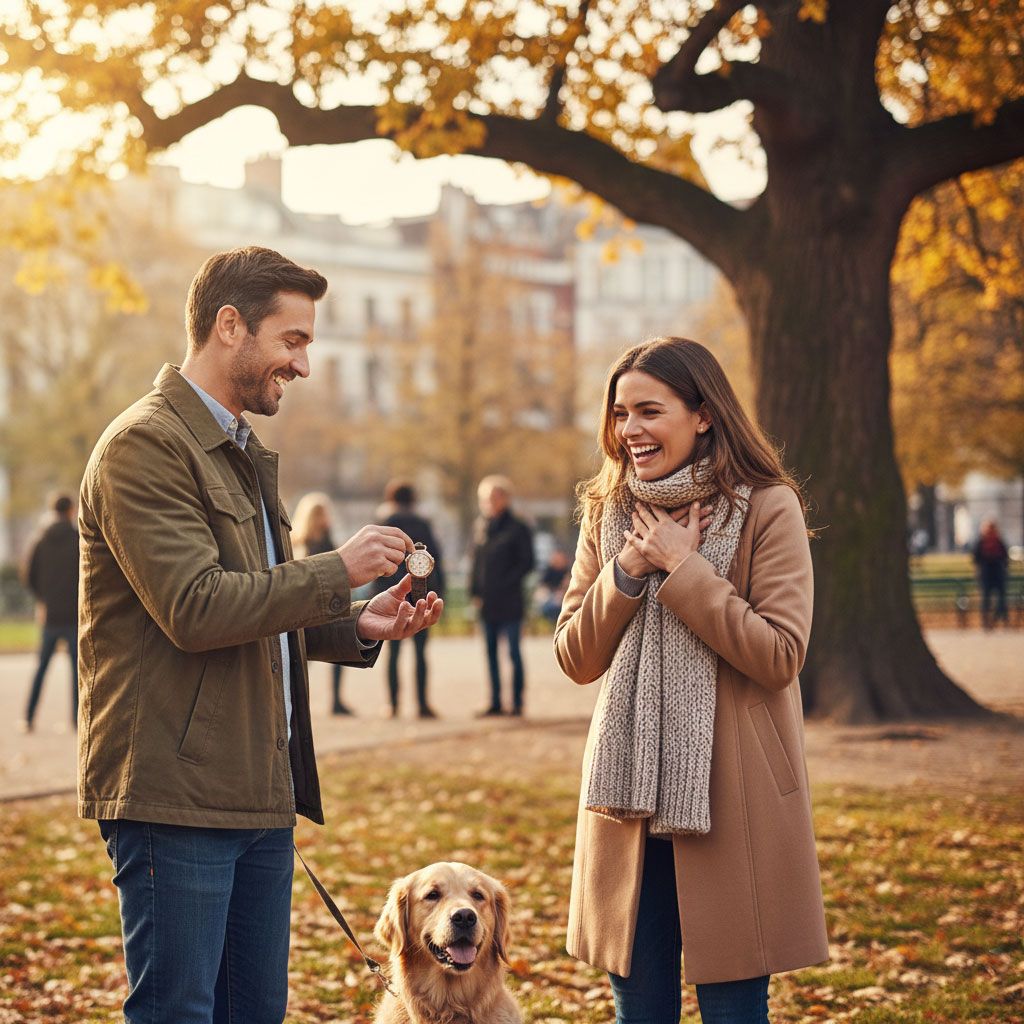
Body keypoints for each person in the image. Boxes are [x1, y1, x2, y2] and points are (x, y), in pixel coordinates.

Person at [77, 245, 443, 1024]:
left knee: (254, 1013)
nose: (303, 363)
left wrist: (353, 624)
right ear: (229, 326)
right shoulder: (145, 446)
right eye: (294, 340)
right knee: (179, 1012)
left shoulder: (236, 447)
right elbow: (196, 607)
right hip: (175, 798)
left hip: (257, 795)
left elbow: (254, 608)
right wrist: (335, 571)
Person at [553, 337, 828, 1024]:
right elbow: (575, 657)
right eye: (620, 414)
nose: (629, 431)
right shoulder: (608, 511)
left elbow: (780, 655)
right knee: (639, 1012)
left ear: (704, 414)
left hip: (732, 799)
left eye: (650, 410)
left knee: (734, 1009)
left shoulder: (768, 507)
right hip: (628, 805)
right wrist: (626, 575)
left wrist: (685, 569)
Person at [374, 478, 446, 718]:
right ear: (413, 499)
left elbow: (376, 563)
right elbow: (437, 560)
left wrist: (377, 596)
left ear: (391, 499)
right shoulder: (424, 524)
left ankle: (393, 705)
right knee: (420, 653)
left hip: (392, 598)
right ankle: (423, 704)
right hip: (422, 597)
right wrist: (439, 593)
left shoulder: (385, 524)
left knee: (393, 654)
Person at [470, 475, 535, 716]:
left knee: (514, 653)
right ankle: (495, 702)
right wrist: (474, 592)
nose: (487, 503)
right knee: (490, 654)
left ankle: (517, 703)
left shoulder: (519, 527)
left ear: (505, 499)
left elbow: (527, 563)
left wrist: (504, 584)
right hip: (486, 603)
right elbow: (476, 563)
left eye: (491, 497)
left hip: (510, 601)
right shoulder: (481, 526)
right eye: (483, 499)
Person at [20, 493, 79, 733]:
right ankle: (77, 721)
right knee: (78, 671)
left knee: (41, 668)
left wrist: (43, 599)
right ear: (71, 511)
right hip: (75, 615)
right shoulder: (78, 538)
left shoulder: (40, 540)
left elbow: (29, 576)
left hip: (50, 615)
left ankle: (29, 717)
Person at [292, 491, 352, 714]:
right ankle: (297, 702)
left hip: (329, 605)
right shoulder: (299, 543)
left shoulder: (329, 540)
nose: (326, 517)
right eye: (321, 513)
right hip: (305, 608)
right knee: (301, 659)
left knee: (339, 653)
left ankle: (336, 699)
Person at [973, 519, 1009, 629]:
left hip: (993, 573)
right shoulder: (985, 542)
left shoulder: (993, 541)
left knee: (997, 598)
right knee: (989, 598)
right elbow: (976, 557)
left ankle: (995, 618)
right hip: (991, 573)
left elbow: (976, 558)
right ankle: (989, 620)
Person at [535, 547, 571, 624]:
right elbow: (543, 587)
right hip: (551, 597)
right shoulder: (549, 571)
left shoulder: (568, 571)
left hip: (563, 597)